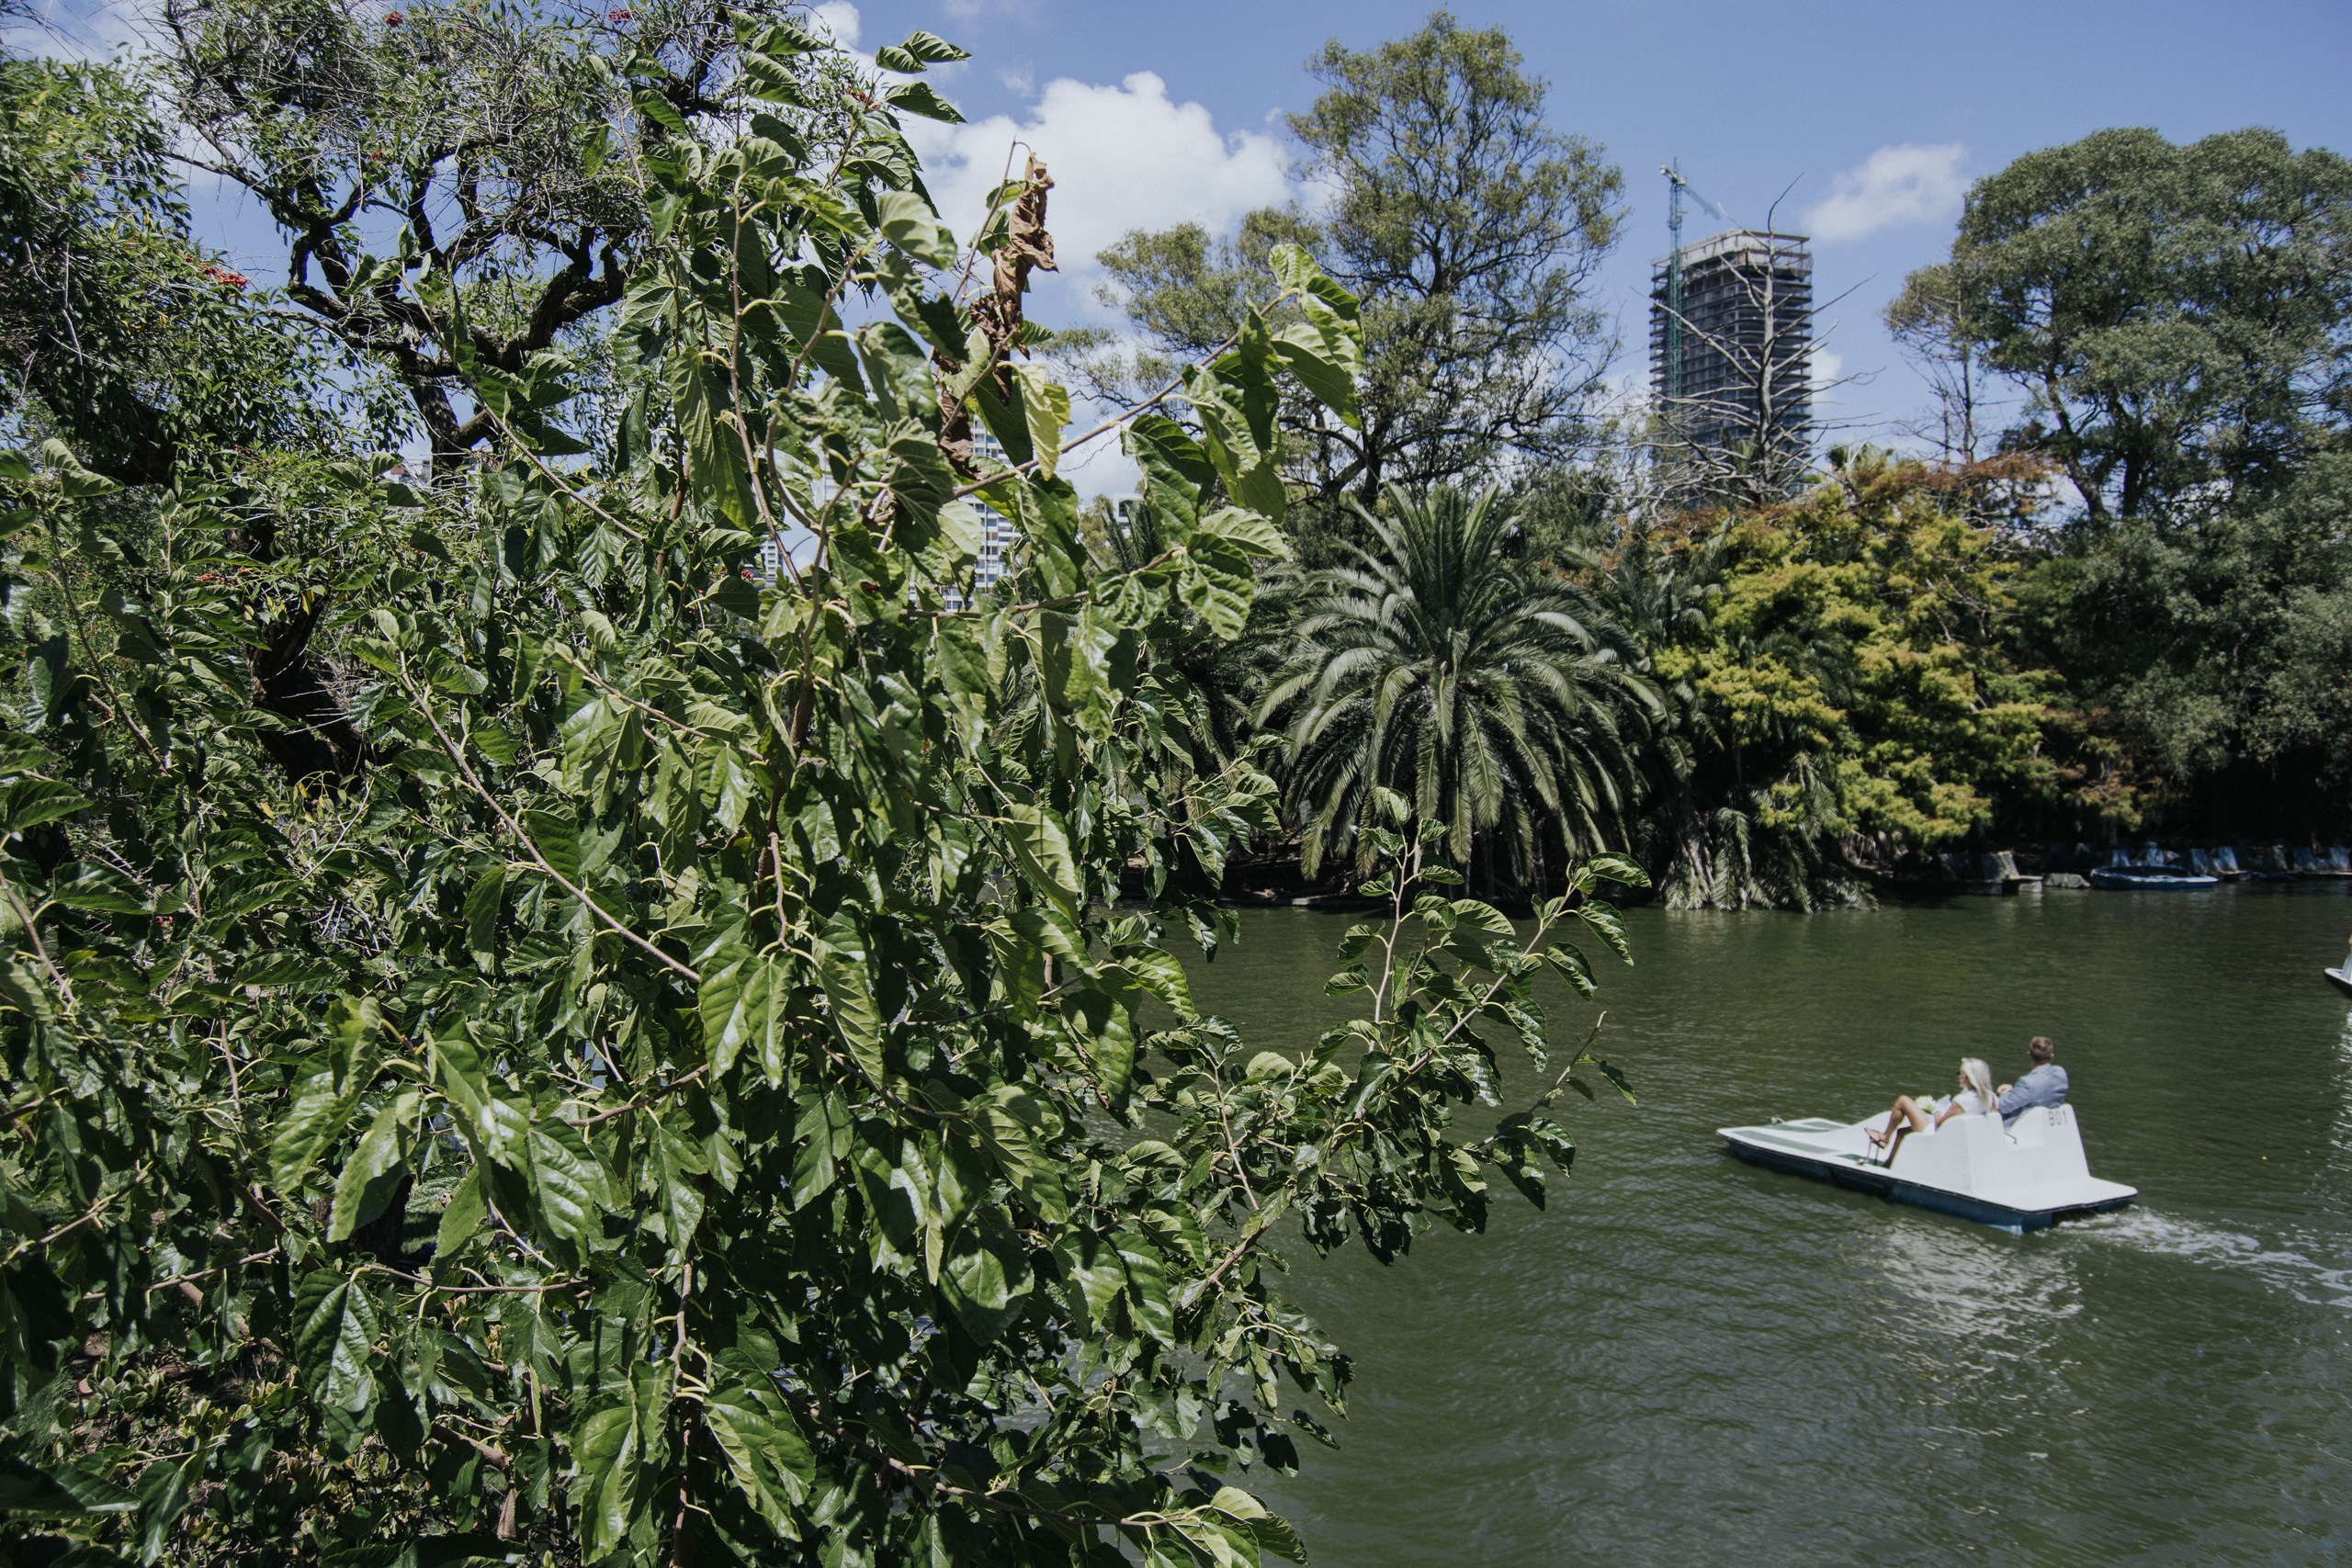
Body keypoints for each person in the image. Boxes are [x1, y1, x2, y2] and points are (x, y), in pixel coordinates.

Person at [1867, 1057, 2000, 1163]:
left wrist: (1936, 1110)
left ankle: (1884, 1137)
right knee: (1902, 1132)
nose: (1958, 1076)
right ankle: (1889, 1165)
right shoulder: (1991, 1098)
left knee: (1903, 1101)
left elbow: (1939, 1124)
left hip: (1938, 1136)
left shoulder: (1962, 1100)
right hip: (1961, 1139)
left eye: (1959, 1073)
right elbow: (1996, 1121)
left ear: (1967, 1076)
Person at [1995, 1036, 2069, 1124]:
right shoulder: (2060, 1073)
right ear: (2051, 1056)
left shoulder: (2028, 1083)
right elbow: (2042, 1090)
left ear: (2029, 1055)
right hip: (2049, 1124)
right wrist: (2013, 1089)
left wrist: (2003, 1094)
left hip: (2023, 1126)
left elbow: (2003, 1106)